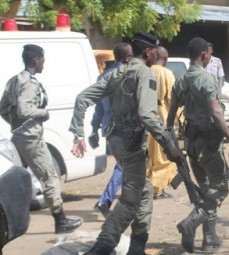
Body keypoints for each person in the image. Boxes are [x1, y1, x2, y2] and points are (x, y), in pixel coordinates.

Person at [69, 32, 180, 255]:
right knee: (131, 200)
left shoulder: (115, 73)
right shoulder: (145, 74)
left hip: (115, 141)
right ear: (148, 52)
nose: (156, 54)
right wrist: (169, 145)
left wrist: (78, 133)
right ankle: (102, 246)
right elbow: (148, 116)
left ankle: (137, 246)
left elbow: (82, 99)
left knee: (145, 190)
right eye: (155, 51)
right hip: (131, 144)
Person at [167, 37, 229, 253]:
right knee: (219, 189)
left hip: (191, 143)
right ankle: (191, 221)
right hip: (209, 143)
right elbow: (216, 112)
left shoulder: (181, 81)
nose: (210, 56)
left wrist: (171, 145)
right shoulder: (206, 80)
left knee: (206, 189)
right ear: (204, 55)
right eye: (209, 53)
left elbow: (170, 118)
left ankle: (209, 238)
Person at [0, 44, 82, 234]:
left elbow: (3, 109)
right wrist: (43, 113)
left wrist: (16, 125)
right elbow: (24, 109)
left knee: (20, 179)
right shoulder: (30, 83)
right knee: (50, 176)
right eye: (42, 59)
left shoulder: (14, 81)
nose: (44, 63)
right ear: (36, 60)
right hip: (32, 139)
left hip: (19, 137)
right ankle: (60, 220)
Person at [90, 43, 133, 218]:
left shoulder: (102, 77)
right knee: (125, 165)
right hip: (124, 128)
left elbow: (98, 108)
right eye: (131, 55)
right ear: (126, 58)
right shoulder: (127, 76)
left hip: (109, 128)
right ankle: (106, 201)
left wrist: (94, 128)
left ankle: (111, 201)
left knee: (124, 164)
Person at [147, 46, 177, 199]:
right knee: (162, 156)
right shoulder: (166, 74)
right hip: (161, 120)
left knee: (151, 155)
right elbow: (173, 100)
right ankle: (157, 188)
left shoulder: (146, 71)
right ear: (165, 59)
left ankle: (150, 187)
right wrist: (181, 120)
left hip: (146, 118)